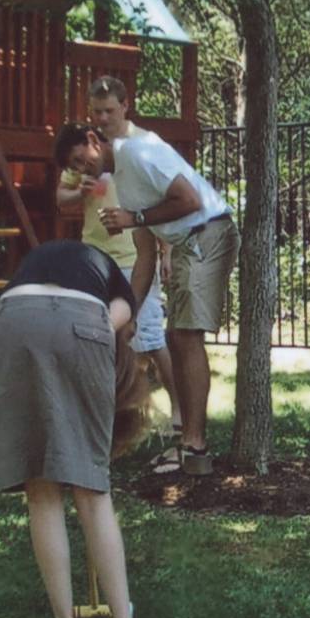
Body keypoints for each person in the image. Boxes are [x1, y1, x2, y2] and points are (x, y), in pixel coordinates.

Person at [0, 237, 180, 618]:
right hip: (80, 317)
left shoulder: (61, 260)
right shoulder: (119, 294)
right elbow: (108, 328)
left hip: (10, 318)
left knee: (39, 486)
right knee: (93, 491)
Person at [89, 81, 239, 477]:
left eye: (108, 111)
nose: (102, 120)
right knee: (176, 336)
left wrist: (134, 218)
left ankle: (194, 448)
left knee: (186, 337)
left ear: (125, 106)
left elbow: (189, 200)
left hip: (206, 233)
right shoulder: (121, 167)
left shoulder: (139, 151)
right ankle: (187, 442)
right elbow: (143, 257)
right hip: (188, 240)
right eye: (96, 112)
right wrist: (129, 314)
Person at [54, 102, 181, 464]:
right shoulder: (79, 176)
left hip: (134, 262)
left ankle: (178, 412)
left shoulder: (127, 159)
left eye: (81, 159)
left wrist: (166, 252)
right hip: (94, 260)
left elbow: (158, 205)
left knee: (150, 339)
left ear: (93, 140)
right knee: (97, 338)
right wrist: (79, 190)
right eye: (73, 166)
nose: (80, 168)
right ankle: (106, 415)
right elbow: (60, 199)